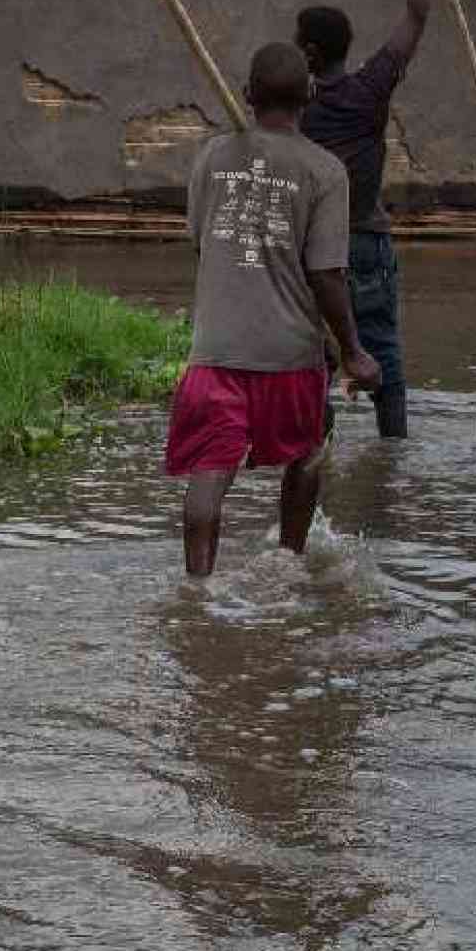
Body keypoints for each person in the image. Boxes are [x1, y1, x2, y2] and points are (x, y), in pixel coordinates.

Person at [168, 43, 381, 579]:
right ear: (310, 95)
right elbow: (326, 274)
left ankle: (197, 591)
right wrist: (353, 351)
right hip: (290, 356)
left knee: (208, 477)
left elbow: (202, 243)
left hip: (215, 352)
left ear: (246, 96)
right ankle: (289, 562)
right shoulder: (325, 171)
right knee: (308, 452)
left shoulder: (211, 157)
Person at [298, 0, 435, 440]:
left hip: (315, 248)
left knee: (313, 356)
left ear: (307, 53)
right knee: (384, 354)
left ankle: (313, 457)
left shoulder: (293, 106)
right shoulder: (368, 91)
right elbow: (418, 13)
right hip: (367, 244)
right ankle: (391, 454)